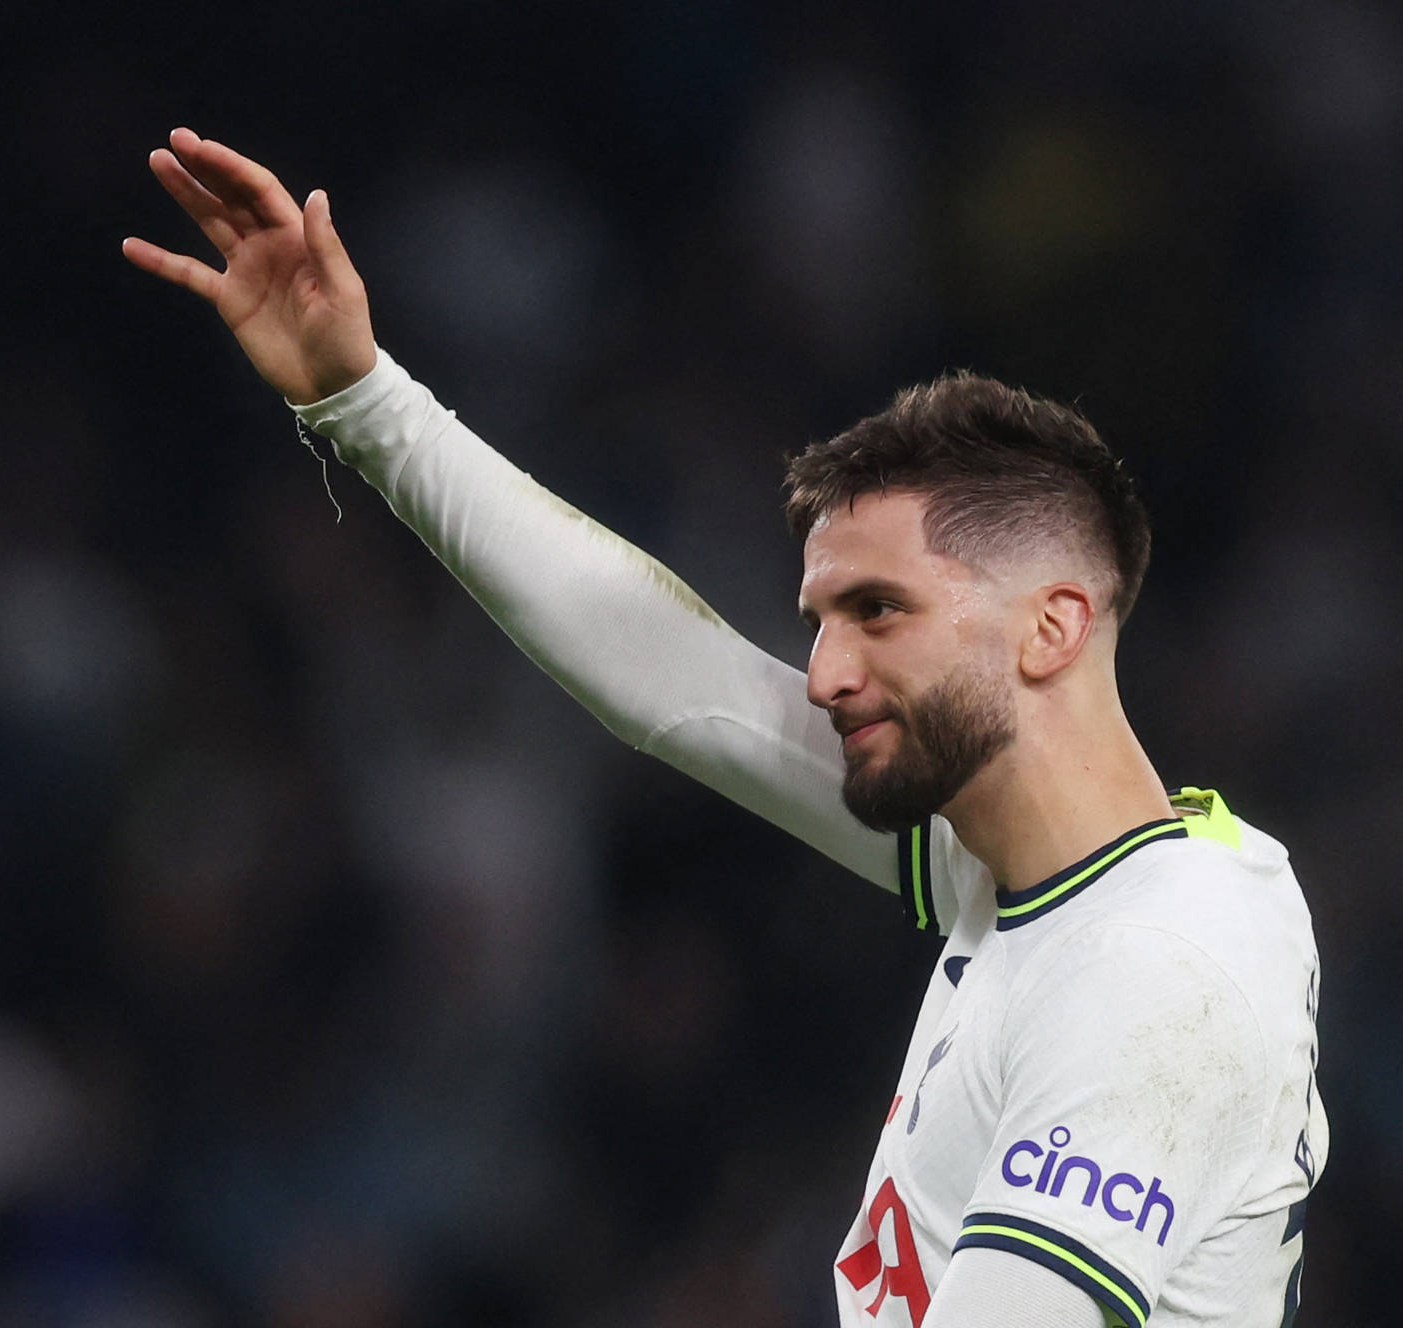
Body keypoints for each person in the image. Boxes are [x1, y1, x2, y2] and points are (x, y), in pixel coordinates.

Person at [126, 128, 1327, 1328]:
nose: (823, 675)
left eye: (878, 613)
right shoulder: (1033, 866)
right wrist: (363, 395)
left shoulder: (1158, 976)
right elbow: (678, 679)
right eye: (819, 620)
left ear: (1052, 627)